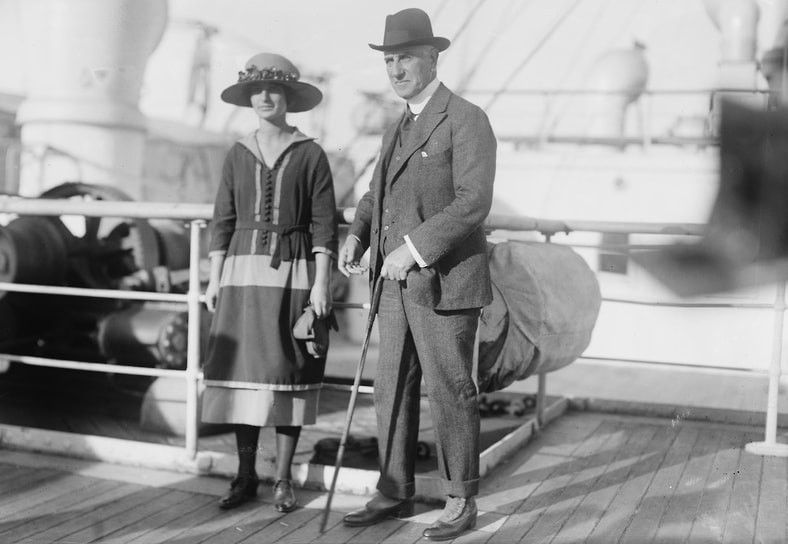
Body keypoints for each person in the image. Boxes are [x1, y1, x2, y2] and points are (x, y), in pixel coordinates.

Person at [338, 8, 496, 542]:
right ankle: (394, 489)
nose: (396, 70)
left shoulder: (466, 118)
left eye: (405, 58)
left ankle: (460, 498)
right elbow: (374, 195)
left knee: (450, 388)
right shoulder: (396, 126)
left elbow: (473, 201)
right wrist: (357, 235)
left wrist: (412, 250)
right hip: (393, 285)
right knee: (391, 387)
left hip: (445, 282)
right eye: (389, 61)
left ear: (432, 58)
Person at [201, 52, 338, 513]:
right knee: (244, 375)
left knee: (288, 372)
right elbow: (223, 219)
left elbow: (324, 225)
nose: (264, 97)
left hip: (293, 271)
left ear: (288, 97)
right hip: (241, 274)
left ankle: (282, 478)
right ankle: (245, 475)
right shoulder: (238, 153)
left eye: (273, 89)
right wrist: (214, 279)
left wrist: (322, 283)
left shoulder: (310, 153)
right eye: (256, 90)